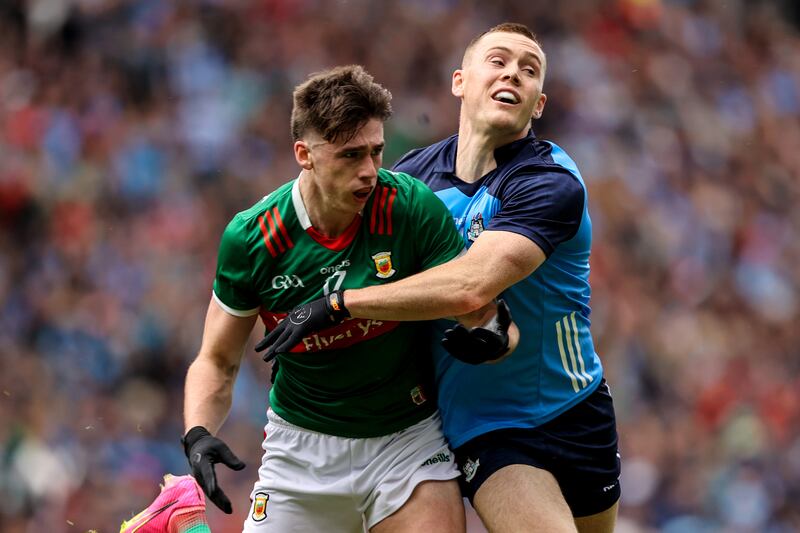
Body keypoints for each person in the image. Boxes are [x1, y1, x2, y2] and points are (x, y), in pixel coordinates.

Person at [260, 23, 621, 533]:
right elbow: (337, 246)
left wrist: (339, 305)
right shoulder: (410, 183)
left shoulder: (550, 182)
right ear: (460, 81)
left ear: (539, 104)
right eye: (498, 60)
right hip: (486, 426)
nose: (513, 73)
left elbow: (471, 286)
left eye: (530, 69)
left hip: (577, 409)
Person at [181, 65, 471, 532]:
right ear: (305, 154)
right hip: (300, 454)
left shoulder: (409, 206)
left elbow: (464, 292)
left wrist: (345, 303)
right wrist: (198, 433)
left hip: (408, 443)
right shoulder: (252, 237)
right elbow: (217, 361)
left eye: (377, 152)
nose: (370, 171)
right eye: (350, 155)